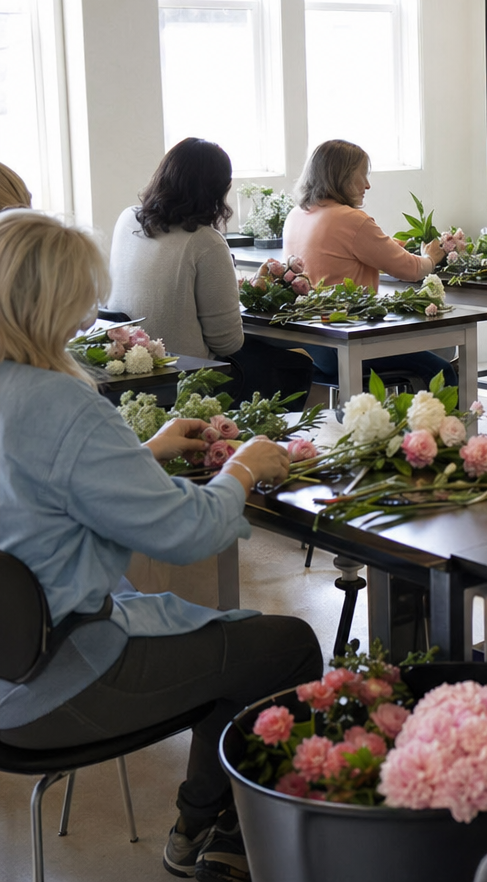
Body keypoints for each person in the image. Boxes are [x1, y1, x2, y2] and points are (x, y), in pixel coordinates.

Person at [0, 210, 323, 882]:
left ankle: (210, 820)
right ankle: (209, 825)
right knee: (287, 647)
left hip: (9, 672)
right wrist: (243, 469)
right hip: (61, 680)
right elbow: (186, 533)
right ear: (47, 304)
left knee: (223, 640)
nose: (88, 315)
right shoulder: (64, 405)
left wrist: (141, 453)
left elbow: (43, 499)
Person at [107, 137, 313, 404]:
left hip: (129, 370)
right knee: (295, 365)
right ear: (216, 190)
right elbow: (227, 343)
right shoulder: (205, 241)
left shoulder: (127, 219)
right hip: (187, 375)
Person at [281, 139, 455, 388]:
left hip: (314, 346)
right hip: (350, 343)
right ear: (341, 177)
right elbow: (412, 270)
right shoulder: (351, 219)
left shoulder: (296, 215)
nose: (367, 185)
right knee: (441, 369)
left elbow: (334, 258)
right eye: (361, 175)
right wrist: (430, 257)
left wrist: (383, 249)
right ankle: (440, 427)